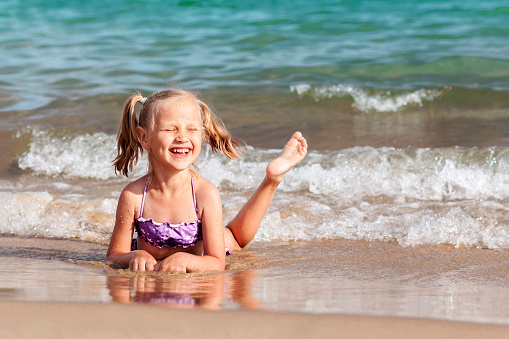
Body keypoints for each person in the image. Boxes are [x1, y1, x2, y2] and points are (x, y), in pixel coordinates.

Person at [106, 88, 307, 273]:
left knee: (235, 238)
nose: (182, 137)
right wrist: (136, 254)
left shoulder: (205, 193)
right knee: (230, 234)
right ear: (144, 137)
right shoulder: (133, 196)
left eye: (191, 130)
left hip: (203, 252)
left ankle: (272, 179)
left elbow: (216, 262)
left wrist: (186, 261)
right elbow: (114, 254)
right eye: (170, 130)